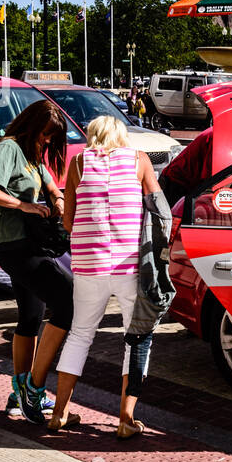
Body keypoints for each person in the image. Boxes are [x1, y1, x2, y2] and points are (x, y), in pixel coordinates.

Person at [50, 116, 161, 438]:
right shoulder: (139, 160)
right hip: (128, 267)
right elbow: (157, 207)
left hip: (88, 265)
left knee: (80, 335)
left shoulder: (79, 162)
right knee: (137, 337)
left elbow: (68, 221)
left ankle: (59, 413)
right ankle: (126, 419)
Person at [0, 101, 73, 423]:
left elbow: (53, 186)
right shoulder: (10, 148)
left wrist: (55, 200)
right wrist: (21, 205)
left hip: (29, 243)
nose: (47, 142)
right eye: (45, 135)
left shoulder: (31, 156)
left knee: (30, 317)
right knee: (69, 301)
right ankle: (34, 388)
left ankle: (19, 391)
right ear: (32, 126)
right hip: (16, 246)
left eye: (52, 138)